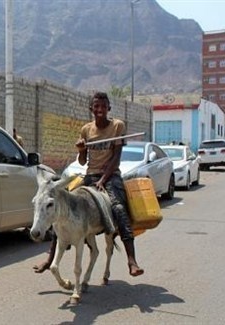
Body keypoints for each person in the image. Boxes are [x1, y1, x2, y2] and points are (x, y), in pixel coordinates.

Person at [33, 92, 144, 277]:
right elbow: (83, 161)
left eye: (103, 106)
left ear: (108, 108)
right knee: (62, 203)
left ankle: (131, 260)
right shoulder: (86, 129)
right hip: (90, 175)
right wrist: (81, 150)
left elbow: (116, 159)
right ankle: (50, 257)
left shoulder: (117, 126)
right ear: (91, 109)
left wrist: (103, 180)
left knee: (118, 208)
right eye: (96, 106)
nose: (99, 109)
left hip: (110, 176)